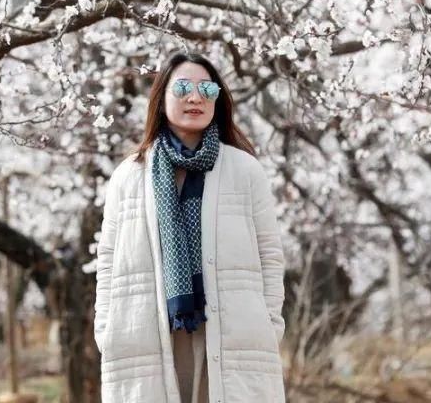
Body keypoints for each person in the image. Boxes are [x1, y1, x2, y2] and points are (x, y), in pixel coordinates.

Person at [93, 50, 287, 403]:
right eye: (182, 87)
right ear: (161, 97)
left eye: (207, 90)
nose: (195, 97)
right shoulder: (128, 176)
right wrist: (105, 329)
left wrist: (270, 324)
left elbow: (270, 255)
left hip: (231, 331)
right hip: (150, 331)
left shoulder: (245, 171)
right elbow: (107, 259)